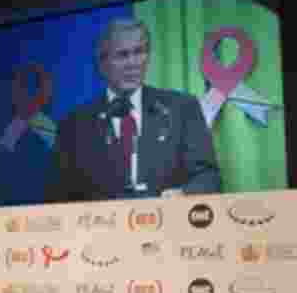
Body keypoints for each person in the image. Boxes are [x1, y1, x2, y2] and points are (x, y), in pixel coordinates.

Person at [46, 18, 221, 203]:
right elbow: (58, 197)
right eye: (122, 55)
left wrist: (184, 195)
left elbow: (208, 177)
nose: (133, 63)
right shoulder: (74, 125)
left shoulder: (183, 108)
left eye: (139, 52)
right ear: (102, 64)